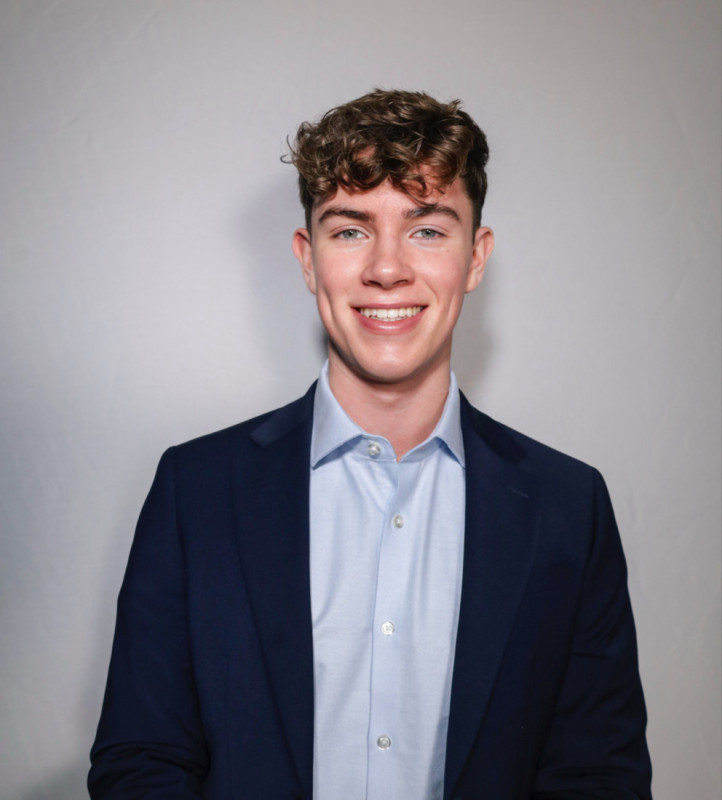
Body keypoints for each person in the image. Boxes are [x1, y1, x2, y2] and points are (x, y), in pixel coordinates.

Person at [89, 89, 652, 799]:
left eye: (426, 229)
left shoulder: (568, 507)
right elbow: (141, 762)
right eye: (351, 230)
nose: (387, 269)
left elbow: (600, 776)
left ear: (475, 258)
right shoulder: (195, 490)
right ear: (307, 257)